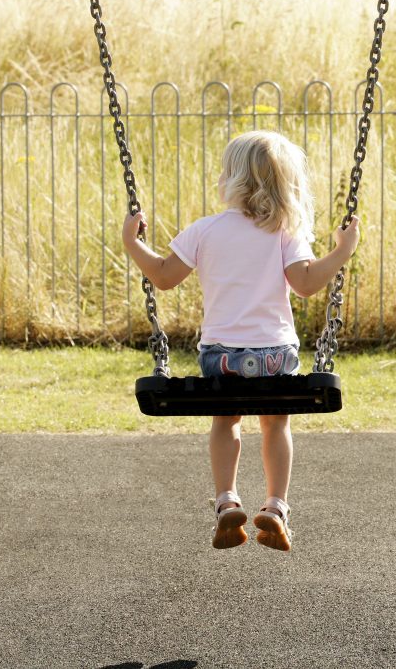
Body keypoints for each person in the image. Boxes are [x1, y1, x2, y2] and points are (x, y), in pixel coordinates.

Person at [121, 130, 361, 552]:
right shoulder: (285, 232)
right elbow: (305, 285)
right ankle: (276, 506)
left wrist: (132, 242)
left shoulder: (204, 231)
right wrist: (341, 252)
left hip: (221, 359)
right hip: (275, 357)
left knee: (226, 419)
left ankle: (226, 499)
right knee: (275, 422)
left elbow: (162, 276)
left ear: (229, 179)